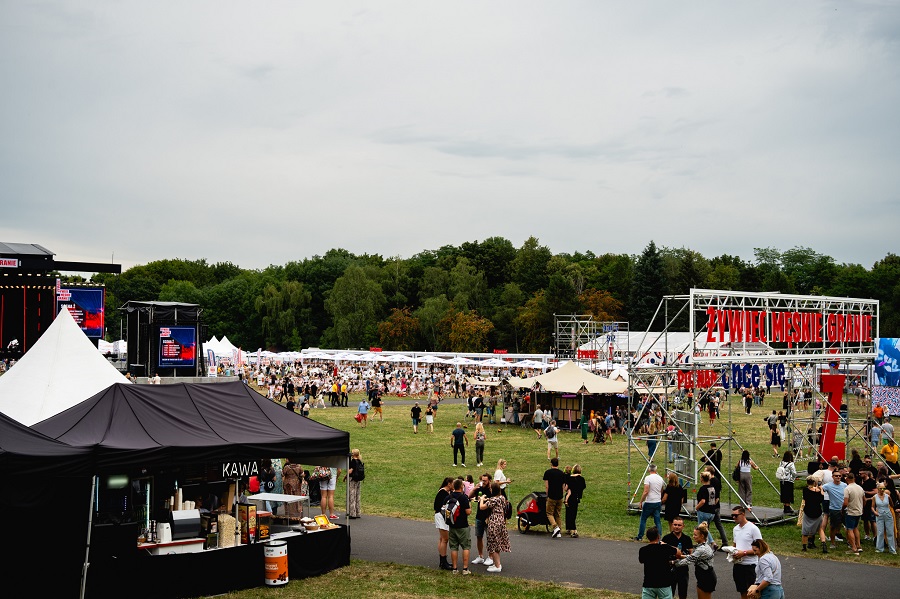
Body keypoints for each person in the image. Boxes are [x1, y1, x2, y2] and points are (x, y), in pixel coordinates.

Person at [674, 522, 717, 599]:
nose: (693, 536)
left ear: (702, 536)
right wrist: (681, 556)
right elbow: (692, 556)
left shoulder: (702, 549)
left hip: (707, 577)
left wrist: (673, 563)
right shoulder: (703, 545)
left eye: (695, 535)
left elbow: (689, 560)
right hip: (702, 576)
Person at [730, 505, 762, 599]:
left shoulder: (753, 528)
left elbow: (760, 548)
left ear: (743, 514)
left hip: (750, 566)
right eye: (732, 515)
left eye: (735, 515)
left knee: (752, 593)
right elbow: (735, 545)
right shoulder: (735, 529)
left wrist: (743, 553)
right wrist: (732, 552)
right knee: (742, 591)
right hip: (738, 565)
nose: (733, 517)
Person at [478, 481, 511, 573]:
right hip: (501, 521)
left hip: (494, 522)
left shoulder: (493, 500)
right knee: (498, 543)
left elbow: (482, 507)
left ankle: (497, 566)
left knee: (493, 544)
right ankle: (497, 563)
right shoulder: (502, 498)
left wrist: (481, 499)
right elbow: (493, 502)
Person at [638, 526, 677, 599]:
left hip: (649, 582)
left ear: (647, 537)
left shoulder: (643, 550)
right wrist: (665, 544)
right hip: (664, 582)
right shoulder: (665, 548)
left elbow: (641, 561)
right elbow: (678, 552)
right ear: (658, 536)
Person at [662, 517, 693, 599]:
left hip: (683, 569)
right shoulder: (666, 538)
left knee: (683, 593)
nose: (677, 527)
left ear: (683, 526)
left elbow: (691, 555)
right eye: (675, 524)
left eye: (679, 525)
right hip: (669, 570)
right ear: (672, 525)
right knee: (669, 593)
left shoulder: (687, 539)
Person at [447, 479, 472, 574]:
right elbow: (468, 512)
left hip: (452, 525)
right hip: (463, 526)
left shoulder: (449, 497)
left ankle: (454, 568)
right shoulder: (463, 497)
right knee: (465, 546)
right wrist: (470, 505)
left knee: (454, 547)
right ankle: (465, 569)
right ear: (462, 486)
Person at [469, 473, 495, 567]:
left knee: (490, 538)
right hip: (479, 516)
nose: (483, 482)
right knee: (479, 536)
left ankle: (491, 557)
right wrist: (474, 489)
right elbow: (469, 496)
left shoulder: (492, 489)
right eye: (482, 480)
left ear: (489, 481)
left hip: (489, 517)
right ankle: (480, 556)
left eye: (485, 480)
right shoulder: (479, 488)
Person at [635, 463, 665, 541]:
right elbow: (661, 490)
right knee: (657, 520)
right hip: (657, 501)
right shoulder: (660, 478)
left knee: (643, 519)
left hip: (649, 501)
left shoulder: (648, 478)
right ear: (656, 470)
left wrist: (641, 501)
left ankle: (640, 536)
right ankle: (659, 537)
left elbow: (646, 491)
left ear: (649, 470)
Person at [821, 470, 847, 549]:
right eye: (836, 476)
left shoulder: (844, 485)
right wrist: (822, 493)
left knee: (848, 526)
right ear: (832, 477)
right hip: (834, 509)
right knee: (833, 526)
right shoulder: (828, 485)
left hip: (844, 508)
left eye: (839, 476)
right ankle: (832, 542)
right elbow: (821, 488)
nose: (838, 477)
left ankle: (849, 542)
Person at [801, 476, 826, 553]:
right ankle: (824, 545)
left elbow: (804, 498)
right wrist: (821, 488)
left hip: (808, 511)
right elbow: (822, 499)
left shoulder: (805, 490)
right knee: (820, 529)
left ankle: (804, 547)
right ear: (815, 482)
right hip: (817, 512)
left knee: (805, 531)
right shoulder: (819, 491)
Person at [434, 477, 454, 570]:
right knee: (445, 539)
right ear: (449, 484)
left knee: (442, 538)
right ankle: (443, 561)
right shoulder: (443, 493)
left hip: (440, 516)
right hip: (441, 517)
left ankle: (443, 560)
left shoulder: (444, 492)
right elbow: (441, 506)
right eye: (452, 483)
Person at [543, 457, 566, 539]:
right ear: (558, 464)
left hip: (552, 495)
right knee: (558, 513)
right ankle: (559, 531)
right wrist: (562, 492)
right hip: (560, 496)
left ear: (551, 464)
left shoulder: (548, 473)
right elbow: (564, 486)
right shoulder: (562, 473)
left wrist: (547, 494)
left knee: (549, 513)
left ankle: (555, 527)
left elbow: (547, 486)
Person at [842, 472, 865, 554]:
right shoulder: (860, 488)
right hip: (859, 510)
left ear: (847, 479)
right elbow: (864, 499)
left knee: (850, 529)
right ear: (854, 478)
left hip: (851, 511)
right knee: (855, 527)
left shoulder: (847, 489)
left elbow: (845, 502)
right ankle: (859, 546)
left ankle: (854, 547)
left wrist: (842, 509)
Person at [873, 482, 897, 554]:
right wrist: (874, 512)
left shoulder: (887, 496)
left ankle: (892, 549)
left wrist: (891, 510)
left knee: (890, 532)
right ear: (878, 489)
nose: (882, 490)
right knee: (880, 532)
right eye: (880, 488)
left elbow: (892, 504)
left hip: (888, 514)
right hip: (879, 514)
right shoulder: (875, 497)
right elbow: (872, 506)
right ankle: (879, 548)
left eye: (883, 488)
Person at [694, 471, 719, 537]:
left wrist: (697, 507)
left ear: (702, 479)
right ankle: (708, 542)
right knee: (706, 528)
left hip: (704, 511)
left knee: (702, 529)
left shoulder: (703, 489)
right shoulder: (712, 488)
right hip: (711, 512)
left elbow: (703, 501)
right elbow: (716, 499)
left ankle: (712, 542)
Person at [564, 463, 585, 538]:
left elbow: (566, 488)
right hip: (576, 498)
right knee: (573, 513)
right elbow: (583, 487)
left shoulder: (569, 478)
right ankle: (572, 529)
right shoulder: (581, 479)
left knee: (569, 513)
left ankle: (572, 529)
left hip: (569, 497)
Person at [344, 449, 364, 519]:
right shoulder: (359, 461)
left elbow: (350, 471)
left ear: (353, 454)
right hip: (358, 479)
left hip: (352, 479)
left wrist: (346, 476)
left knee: (351, 496)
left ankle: (352, 513)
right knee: (357, 496)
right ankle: (358, 512)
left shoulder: (353, 461)